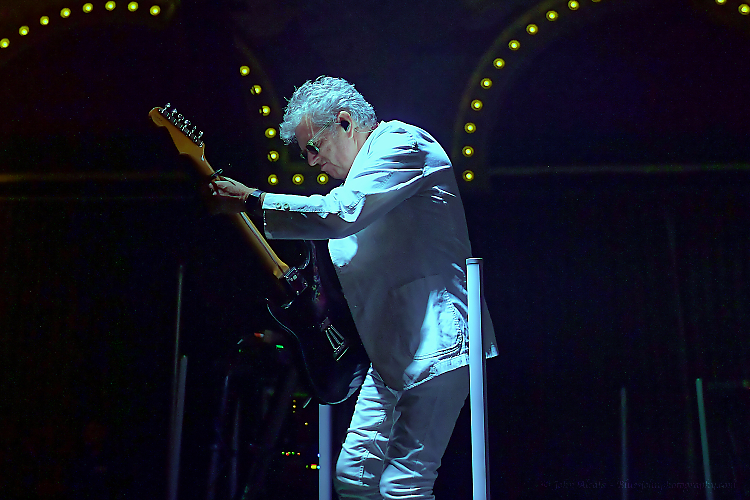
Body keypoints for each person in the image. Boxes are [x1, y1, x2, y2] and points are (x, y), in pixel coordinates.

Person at [207, 76, 497, 500]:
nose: (309, 162)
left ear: (345, 122)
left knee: (404, 483)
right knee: (354, 476)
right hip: (391, 352)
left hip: (439, 342)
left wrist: (254, 199)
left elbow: (344, 214)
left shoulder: (401, 143)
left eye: (313, 147)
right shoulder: (356, 181)